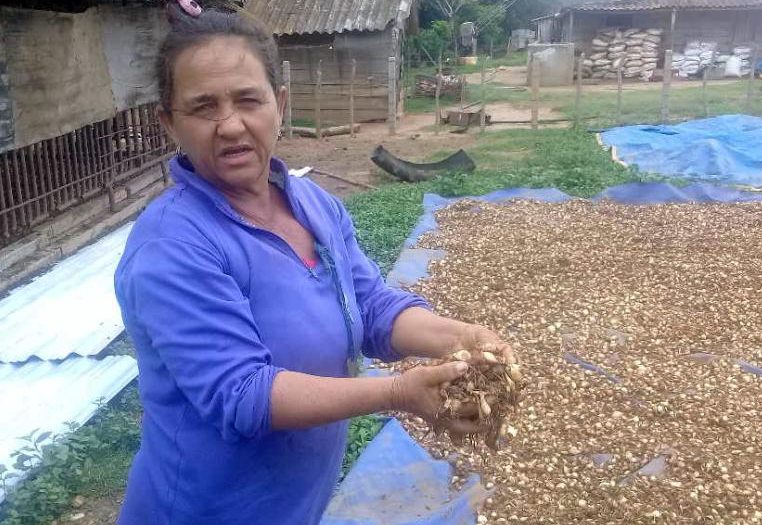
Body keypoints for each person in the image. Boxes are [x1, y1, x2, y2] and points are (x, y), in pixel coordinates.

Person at [113, 5, 514, 525]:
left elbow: (369, 306)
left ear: (279, 105)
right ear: (171, 123)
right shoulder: (173, 247)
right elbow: (243, 394)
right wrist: (398, 392)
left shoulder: (312, 203)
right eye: (203, 107)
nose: (230, 124)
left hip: (293, 504)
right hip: (205, 510)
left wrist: (457, 337)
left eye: (248, 100)